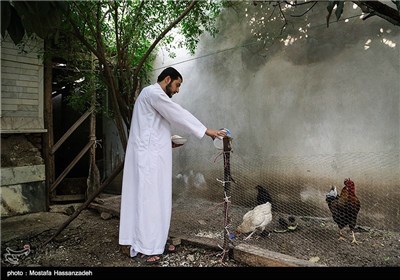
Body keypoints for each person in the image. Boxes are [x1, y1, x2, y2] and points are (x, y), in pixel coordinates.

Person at [119, 67, 227, 264]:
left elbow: (150, 128)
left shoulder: (151, 96)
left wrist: (166, 142)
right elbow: (178, 113)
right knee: (150, 201)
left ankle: (154, 243)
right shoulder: (153, 93)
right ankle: (149, 247)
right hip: (148, 160)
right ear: (167, 79)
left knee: (156, 200)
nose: (177, 90)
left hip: (152, 156)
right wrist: (206, 131)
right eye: (177, 85)